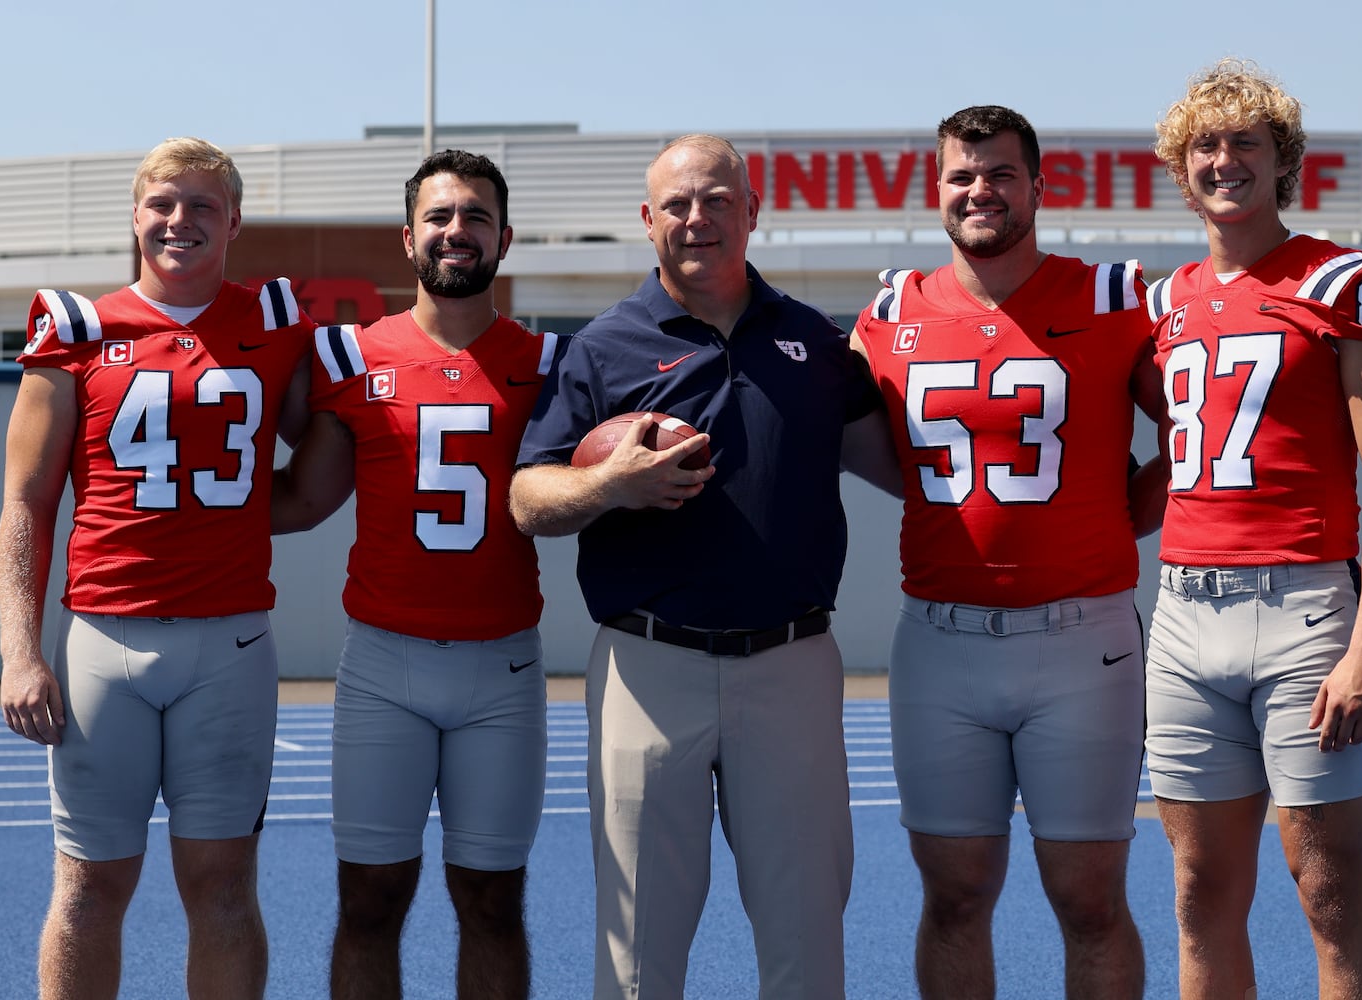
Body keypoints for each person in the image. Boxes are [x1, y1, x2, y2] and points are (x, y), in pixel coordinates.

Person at [507, 134, 896, 1000]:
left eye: (717, 199)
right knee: (637, 954)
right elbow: (529, 500)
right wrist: (611, 483)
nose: (697, 218)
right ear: (648, 221)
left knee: (806, 945)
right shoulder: (601, 347)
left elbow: (913, 467)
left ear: (752, 212)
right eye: (677, 203)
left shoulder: (815, 342)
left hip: (791, 662)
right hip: (649, 667)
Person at [850, 105, 1166, 999]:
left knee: (1090, 898)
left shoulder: (1111, 297)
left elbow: (1194, 436)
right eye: (961, 175)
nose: (979, 190)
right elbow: (852, 442)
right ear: (937, 190)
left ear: (1037, 185)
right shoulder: (892, 310)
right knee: (953, 896)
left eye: (998, 174)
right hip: (941, 639)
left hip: (1083, 639)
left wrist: (1115, 518)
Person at [0, 137, 312, 999]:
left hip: (232, 643)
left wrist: (245, 513)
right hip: (105, 639)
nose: (181, 221)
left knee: (222, 886)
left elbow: (323, 464)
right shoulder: (80, 329)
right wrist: (21, 651)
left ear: (235, 221)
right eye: (163, 204)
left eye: (203, 205)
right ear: (136, 216)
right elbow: (27, 503)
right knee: (91, 887)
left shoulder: (277, 320)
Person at [1143, 59, 1362, 999]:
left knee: (1330, 893)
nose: (1224, 160)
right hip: (1183, 615)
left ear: (1282, 161)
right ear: (1180, 169)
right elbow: (1172, 460)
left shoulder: (1348, 281)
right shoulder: (1164, 301)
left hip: (1305, 607)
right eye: (1205, 146)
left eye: (1245, 143)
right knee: (1199, 893)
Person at [270, 149, 552, 1000]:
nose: (456, 231)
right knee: (369, 900)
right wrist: (171, 503)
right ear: (407, 238)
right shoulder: (352, 357)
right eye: (439, 216)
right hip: (383, 664)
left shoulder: (547, 363)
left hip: (502, 663)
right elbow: (307, 500)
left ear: (504, 237)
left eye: (474, 216)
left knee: (494, 901)